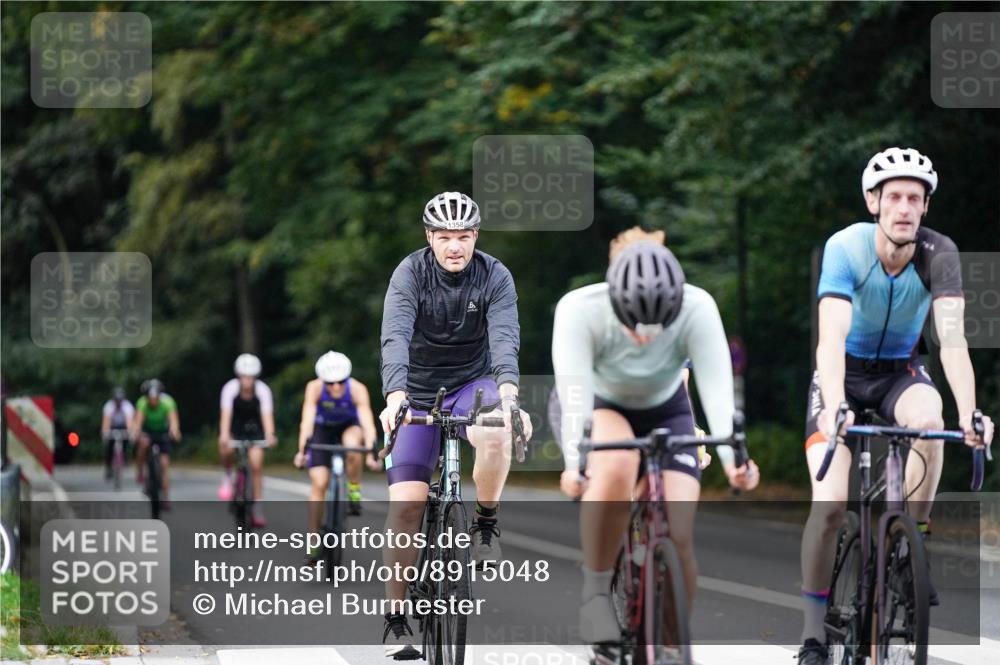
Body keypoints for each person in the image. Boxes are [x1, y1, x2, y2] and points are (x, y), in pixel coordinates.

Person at [796, 147, 995, 665]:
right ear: (873, 202)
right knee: (830, 505)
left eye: (914, 198)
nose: (904, 207)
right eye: (894, 197)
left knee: (930, 421)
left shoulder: (939, 253)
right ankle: (813, 634)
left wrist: (969, 413)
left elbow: (952, 341)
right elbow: (830, 338)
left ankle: (911, 545)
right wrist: (834, 405)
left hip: (898, 375)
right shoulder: (846, 247)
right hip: (842, 375)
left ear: (926, 207)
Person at [553, 227, 759, 657]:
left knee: (678, 533)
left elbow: (716, 393)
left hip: (667, 407)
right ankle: (596, 594)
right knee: (618, 463)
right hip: (600, 403)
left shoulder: (697, 307)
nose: (646, 337)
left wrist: (734, 460)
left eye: (657, 326)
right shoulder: (579, 309)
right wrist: (575, 465)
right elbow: (574, 399)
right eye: (634, 326)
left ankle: (670, 647)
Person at [378, 191, 533, 658]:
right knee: (407, 505)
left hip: (472, 383)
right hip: (417, 390)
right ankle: (395, 617)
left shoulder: (494, 275)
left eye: (463, 236)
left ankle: (485, 523)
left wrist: (510, 397)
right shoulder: (410, 273)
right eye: (445, 237)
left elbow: (505, 338)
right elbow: (394, 336)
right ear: (429, 237)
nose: (454, 246)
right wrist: (395, 397)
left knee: (496, 429)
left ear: (475, 236)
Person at [294, 351, 380, 562]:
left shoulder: (357, 389)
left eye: (340, 382)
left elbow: (368, 423)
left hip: (349, 427)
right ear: (322, 380)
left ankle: (354, 490)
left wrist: (372, 454)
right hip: (322, 429)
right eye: (330, 383)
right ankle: (313, 541)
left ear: (347, 378)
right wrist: (302, 452)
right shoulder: (314, 388)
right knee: (319, 483)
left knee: (353, 447)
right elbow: (306, 422)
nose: (335, 387)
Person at [217, 353, 278, 527]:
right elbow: (226, 415)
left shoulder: (262, 390)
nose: (247, 381)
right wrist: (224, 434)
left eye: (251, 377)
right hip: (235, 428)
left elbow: (267, 415)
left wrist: (270, 435)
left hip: (254, 430)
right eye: (244, 376)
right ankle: (228, 475)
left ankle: (257, 506)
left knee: (256, 464)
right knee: (225, 447)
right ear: (239, 376)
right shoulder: (230, 389)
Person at [132, 379, 181, 509]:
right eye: (150, 398)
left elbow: (173, 421)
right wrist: (136, 434)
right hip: (148, 431)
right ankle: (140, 470)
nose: (153, 401)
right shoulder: (142, 403)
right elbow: (138, 422)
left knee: (164, 465)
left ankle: (165, 496)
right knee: (143, 445)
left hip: (162, 432)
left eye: (155, 398)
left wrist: (174, 431)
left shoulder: (167, 402)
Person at [100, 387, 135, 480]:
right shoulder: (109, 406)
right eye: (117, 401)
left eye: (120, 401)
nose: (118, 403)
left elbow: (129, 422)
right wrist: (105, 433)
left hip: (123, 426)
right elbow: (106, 422)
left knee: (126, 441)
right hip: (112, 426)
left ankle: (124, 456)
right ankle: (108, 466)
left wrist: (130, 433)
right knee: (109, 446)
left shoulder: (127, 406)